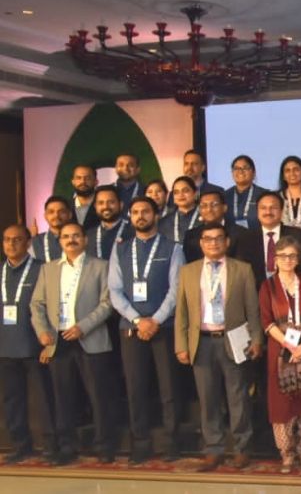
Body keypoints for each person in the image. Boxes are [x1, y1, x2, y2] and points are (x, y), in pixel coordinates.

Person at [175, 222, 262, 471]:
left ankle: (242, 448)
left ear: (227, 242)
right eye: (208, 239)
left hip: (233, 339)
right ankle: (213, 449)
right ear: (201, 243)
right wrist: (181, 344)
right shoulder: (188, 271)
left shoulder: (242, 269)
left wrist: (256, 339)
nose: (213, 243)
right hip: (201, 342)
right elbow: (181, 311)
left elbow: (252, 308)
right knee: (208, 399)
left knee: (238, 397)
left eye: (218, 238)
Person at [29, 221, 117, 465]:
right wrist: (42, 332)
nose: (71, 240)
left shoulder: (101, 266)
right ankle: (66, 447)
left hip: (91, 339)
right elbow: (36, 304)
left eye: (76, 236)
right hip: (58, 341)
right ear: (60, 242)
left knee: (99, 397)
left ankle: (104, 446)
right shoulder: (48, 269)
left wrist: (83, 327)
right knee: (63, 398)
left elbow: (108, 303)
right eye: (66, 236)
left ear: (85, 239)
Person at [107, 197, 184, 463]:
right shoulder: (120, 249)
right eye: (136, 212)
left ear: (156, 215)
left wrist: (156, 320)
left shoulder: (173, 248)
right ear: (130, 216)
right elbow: (114, 291)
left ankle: (172, 442)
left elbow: (176, 290)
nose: (140, 216)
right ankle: (140, 443)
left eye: (146, 211)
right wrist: (138, 320)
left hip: (165, 327)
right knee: (135, 388)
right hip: (131, 328)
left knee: (169, 389)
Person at [258, 234, 301, 473]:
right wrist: (290, 346)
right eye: (283, 256)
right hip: (280, 351)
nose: (287, 260)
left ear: (298, 260)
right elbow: (267, 322)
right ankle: (286, 454)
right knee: (282, 403)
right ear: (275, 260)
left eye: (292, 256)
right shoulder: (267, 286)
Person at [0, 224, 58, 464]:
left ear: (28, 243)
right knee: (12, 401)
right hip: (5, 348)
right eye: (7, 240)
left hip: (35, 346)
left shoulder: (41, 269)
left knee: (44, 399)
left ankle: (51, 446)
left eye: (17, 239)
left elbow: (50, 307)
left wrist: (49, 343)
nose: (11, 244)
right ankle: (20, 445)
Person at [242, 192, 301, 288]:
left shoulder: (295, 234)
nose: (268, 212)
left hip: (289, 288)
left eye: (273, 208)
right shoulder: (246, 238)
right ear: (257, 212)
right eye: (263, 208)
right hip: (256, 290)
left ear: (281, 211)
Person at [183, 190, 248, 263]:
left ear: (224, 208)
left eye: (214, 205)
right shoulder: (190, 236)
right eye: (204, 206)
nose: (209, 209)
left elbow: (241, 265)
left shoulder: (241, 233)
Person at [225, 155, 269, 229]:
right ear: (232, 173)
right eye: (236, 168)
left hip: (258, 235)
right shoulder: (225, 195)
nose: (240, 171)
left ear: (254, 172)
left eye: (245, 168)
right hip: (231, 235)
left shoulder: (264, 195)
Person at [85, 185, 128, 260]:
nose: (106, 207)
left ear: (121, 205)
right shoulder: (88, 235)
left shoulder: (133, 231)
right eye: (101, 203)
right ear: (95, 207)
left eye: (111, 202)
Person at [161, 176, 201, 245]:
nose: (181, 195)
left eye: (185, 191)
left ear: (195, 193)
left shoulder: (206, 217)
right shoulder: (164, 222)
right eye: (176, 192)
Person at [31, 196, 72, 262]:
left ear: (69, 215)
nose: (56, 215)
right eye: (51, 212)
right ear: (45, 216)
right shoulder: (36, 241)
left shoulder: (79, 239)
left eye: (61, 212)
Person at [69, 165, 99, 230]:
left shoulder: (103, 205)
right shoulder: (66, 206)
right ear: (73, 182)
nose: (83, 181)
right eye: (78, 178)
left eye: (87, 178)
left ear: (96, 181)